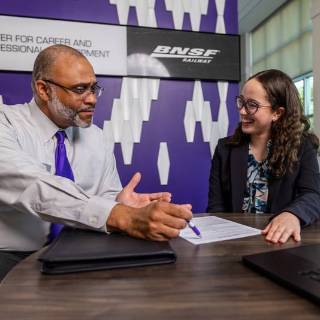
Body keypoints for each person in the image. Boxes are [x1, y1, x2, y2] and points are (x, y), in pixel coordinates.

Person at [0, 44, 192, 280]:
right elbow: (34, 187)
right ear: (43, 89)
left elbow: (105, 196)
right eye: (80, 89)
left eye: (94, 88)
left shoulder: (96, 135)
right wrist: (121, 215)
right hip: (11, 259)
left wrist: (119, 201)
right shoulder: (5, 123)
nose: (92, 99)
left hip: (81, 253)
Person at [207, 69, 320, 244]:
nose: (243, 111)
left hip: (280, 242)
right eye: (241, 102)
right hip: (233, 244)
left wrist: (293, 215)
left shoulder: (303, 147)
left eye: (252, 105)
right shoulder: (225, 148)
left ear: (277, 113)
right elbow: (216, 207)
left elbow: (313, 195)